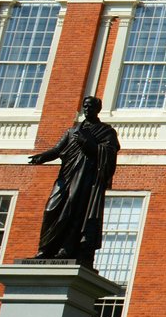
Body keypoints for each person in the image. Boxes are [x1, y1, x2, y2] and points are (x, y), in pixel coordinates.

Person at [26, 95, 122, 268]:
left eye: (90, 106)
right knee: (51, 208)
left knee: (75, 210)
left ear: (98, 109)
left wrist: (87, 143)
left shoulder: (106, 132)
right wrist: (42, 157)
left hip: (86, 177)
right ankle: (44, 249)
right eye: (85, 106)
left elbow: (109, 153)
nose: (87, 109)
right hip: (67, 175)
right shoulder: (72, 130)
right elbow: (57, 149)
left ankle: (66, 248)